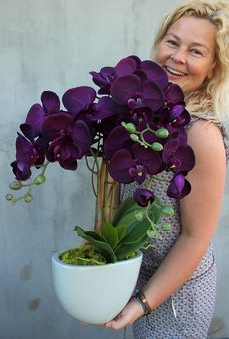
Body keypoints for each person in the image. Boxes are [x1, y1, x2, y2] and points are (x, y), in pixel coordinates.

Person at [104, 1, 229, 338]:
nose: (177, 57)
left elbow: (195, 238)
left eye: (196, 51)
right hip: (139, 278)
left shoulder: (201, 135)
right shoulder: (140, 115)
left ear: (214, 68)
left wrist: (142, 303)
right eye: (172, 42)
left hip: (177, 295)